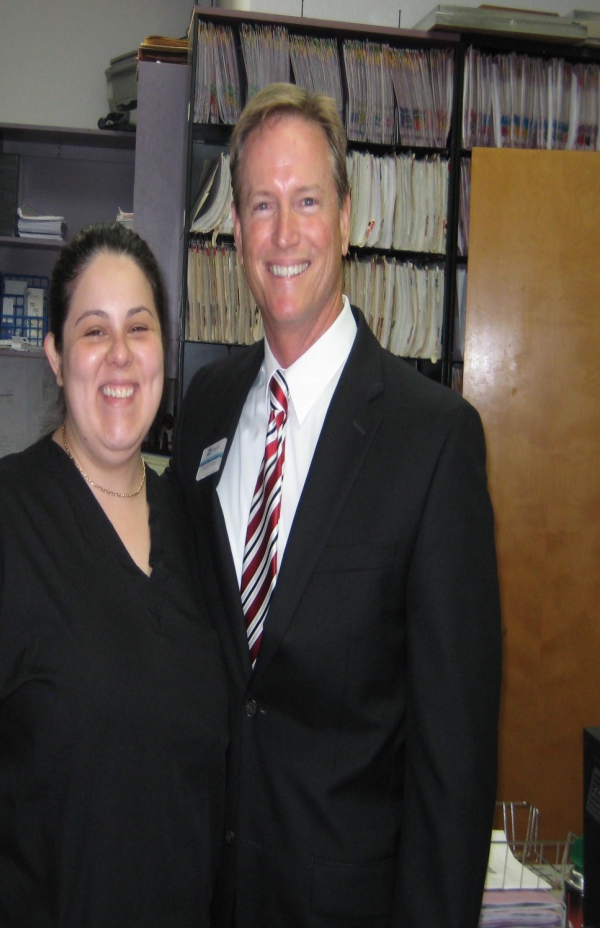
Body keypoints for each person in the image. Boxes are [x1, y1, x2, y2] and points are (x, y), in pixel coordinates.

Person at [171, 83, 502, 927]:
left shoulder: (433, 440)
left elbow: (452, 758)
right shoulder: (205, 405)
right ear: (235, 229)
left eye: (307, 201)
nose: (284, 234)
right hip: (201, 888)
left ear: (347, 219)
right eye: (260, 205)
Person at [0, 223, 229, 927]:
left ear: (164, 354)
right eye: (93, 332)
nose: (119, 356)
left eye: (138, 328)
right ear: (56, 356)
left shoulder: (192, 519)